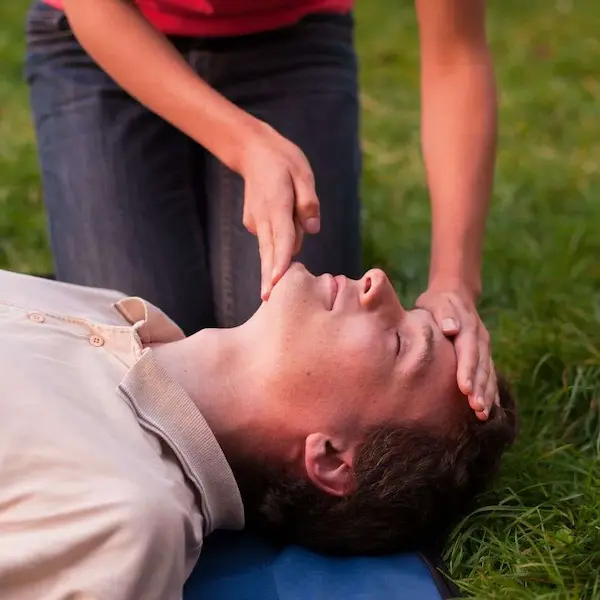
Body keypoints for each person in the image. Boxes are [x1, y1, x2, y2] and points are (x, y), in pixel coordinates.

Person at [24, 0, 500, 422]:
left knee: (302, 381)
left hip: (290, 46)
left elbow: (457, 57)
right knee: (139, 371)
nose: (378, 281)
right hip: (103, 35)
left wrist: (454, 281)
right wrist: (244, 143)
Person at [0, 263, 517, 599]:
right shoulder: (115, 310)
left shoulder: (127, 516)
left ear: (331, 459)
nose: (377, 281)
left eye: (399, 343)